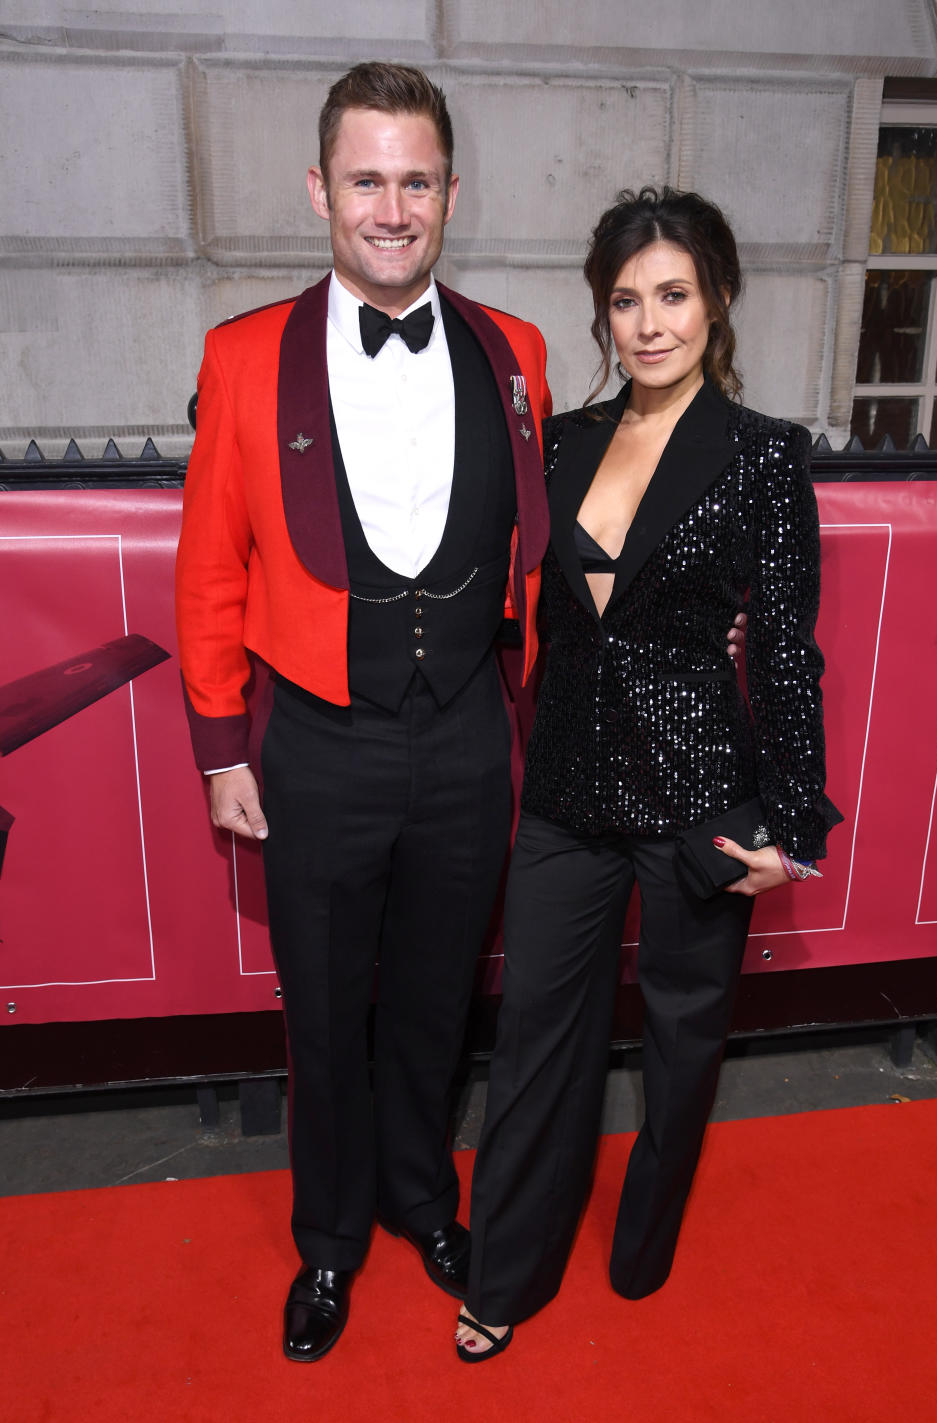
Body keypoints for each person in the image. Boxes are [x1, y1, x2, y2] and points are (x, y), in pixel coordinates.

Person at [174, 61, 555, 1361]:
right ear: (320, 190)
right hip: (316, 743)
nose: (391, 207)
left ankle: (418, 1195)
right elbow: (211, 566)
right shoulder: (242, 357)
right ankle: (327, 1243)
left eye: (416, 179)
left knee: (442, 997)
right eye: (366, 179)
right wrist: (223, 744)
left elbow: (539, 551)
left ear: (452, 190)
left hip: (464, 732)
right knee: (326, 1010)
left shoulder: (519, 352)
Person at [454, 186, 842, 1361]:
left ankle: (645, 1238)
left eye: (672, 294)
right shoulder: (562, 443)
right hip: (568, 795)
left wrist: (796, 820)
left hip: (696, 800)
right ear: (602, 316)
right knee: (535, 1040)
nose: (650, 322)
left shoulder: (765, 456)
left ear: (716, 300)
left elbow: (785, 649)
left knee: (681, 1041)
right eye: (626, 300)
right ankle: (510, 1265)